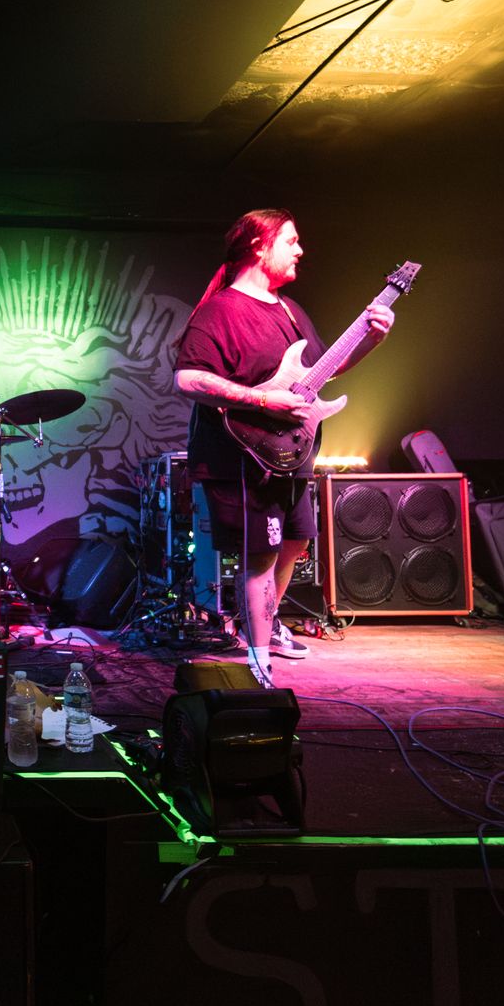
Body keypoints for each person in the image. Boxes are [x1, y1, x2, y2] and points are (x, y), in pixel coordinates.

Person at [172, 209, 393, 687]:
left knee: (295, 542)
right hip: (242, 454)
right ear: (259, 245)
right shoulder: (220, 310)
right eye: (290, 241)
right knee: (260, 556)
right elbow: (187, 378)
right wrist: (262, 400)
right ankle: (258, 662)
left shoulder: (290, 310)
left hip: (292, 452)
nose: (300, 250)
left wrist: (372, 340)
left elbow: (324, 369)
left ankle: (266, 626)